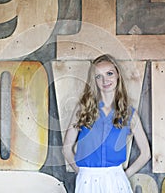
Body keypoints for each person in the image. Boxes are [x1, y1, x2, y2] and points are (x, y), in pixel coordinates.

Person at [62, 54, 151, 193]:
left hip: (116, 179)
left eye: (109, 73)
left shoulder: (128, 113)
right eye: (98, 76)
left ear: (117, 76)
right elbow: (66, 149)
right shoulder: (83, 110)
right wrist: (83, 174)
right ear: (94, 80)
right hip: (87, 180)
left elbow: (146, 153)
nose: (105, 80)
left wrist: (122, 176)